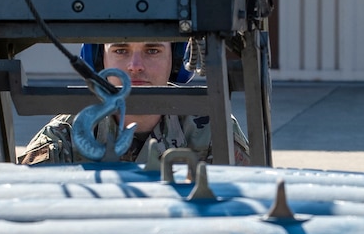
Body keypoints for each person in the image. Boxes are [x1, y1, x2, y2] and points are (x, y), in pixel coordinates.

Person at [19, 40, 246, 165]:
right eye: (121, 49)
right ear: (99, 60)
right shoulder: (66, 134)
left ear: (176, 61)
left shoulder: (212, 128)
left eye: (152, 50)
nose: (135, 65)